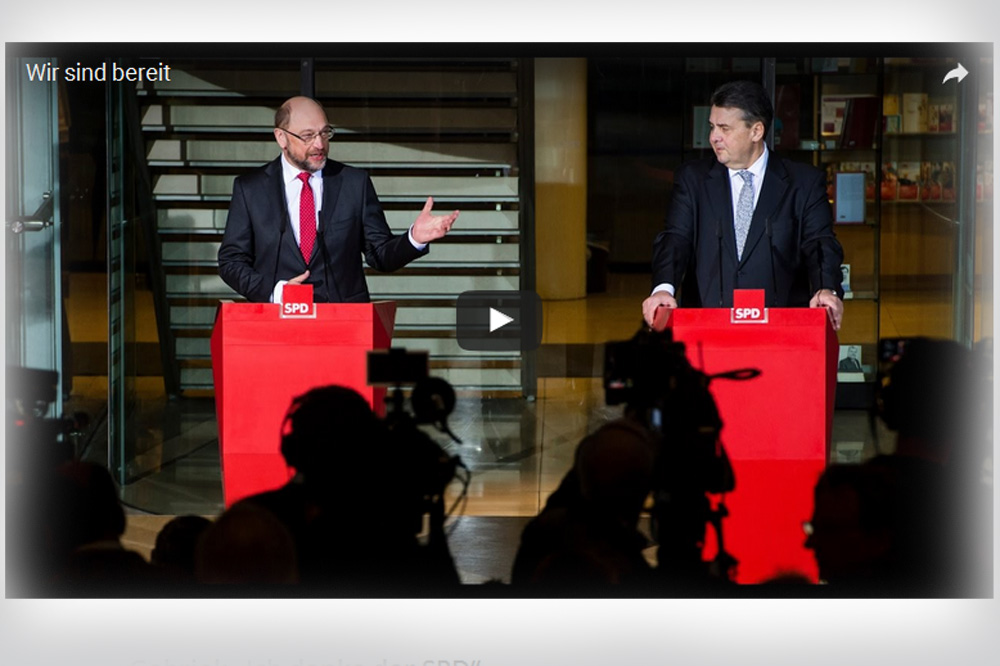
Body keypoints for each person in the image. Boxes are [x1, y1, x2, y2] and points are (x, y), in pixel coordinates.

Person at [642, 81, 845, 330]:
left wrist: (825, 288)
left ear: (756, 131)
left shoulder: (803, 183)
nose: (713, 137)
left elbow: (820, 243)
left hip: (782, 330)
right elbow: (676, 239)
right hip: (708, 328)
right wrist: (663, 288)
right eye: (713, 127)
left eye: (724, 128)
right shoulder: (692, 180)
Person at [218, 96, 459, 304]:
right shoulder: (250, 188)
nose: (320, 144)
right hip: (277, 324)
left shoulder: (354, 183)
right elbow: (231, 261)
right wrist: (274, 292)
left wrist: (414, 238)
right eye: (308, 136)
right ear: (281, 137)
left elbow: (380, 255)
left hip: (345, 325)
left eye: (325, 133)